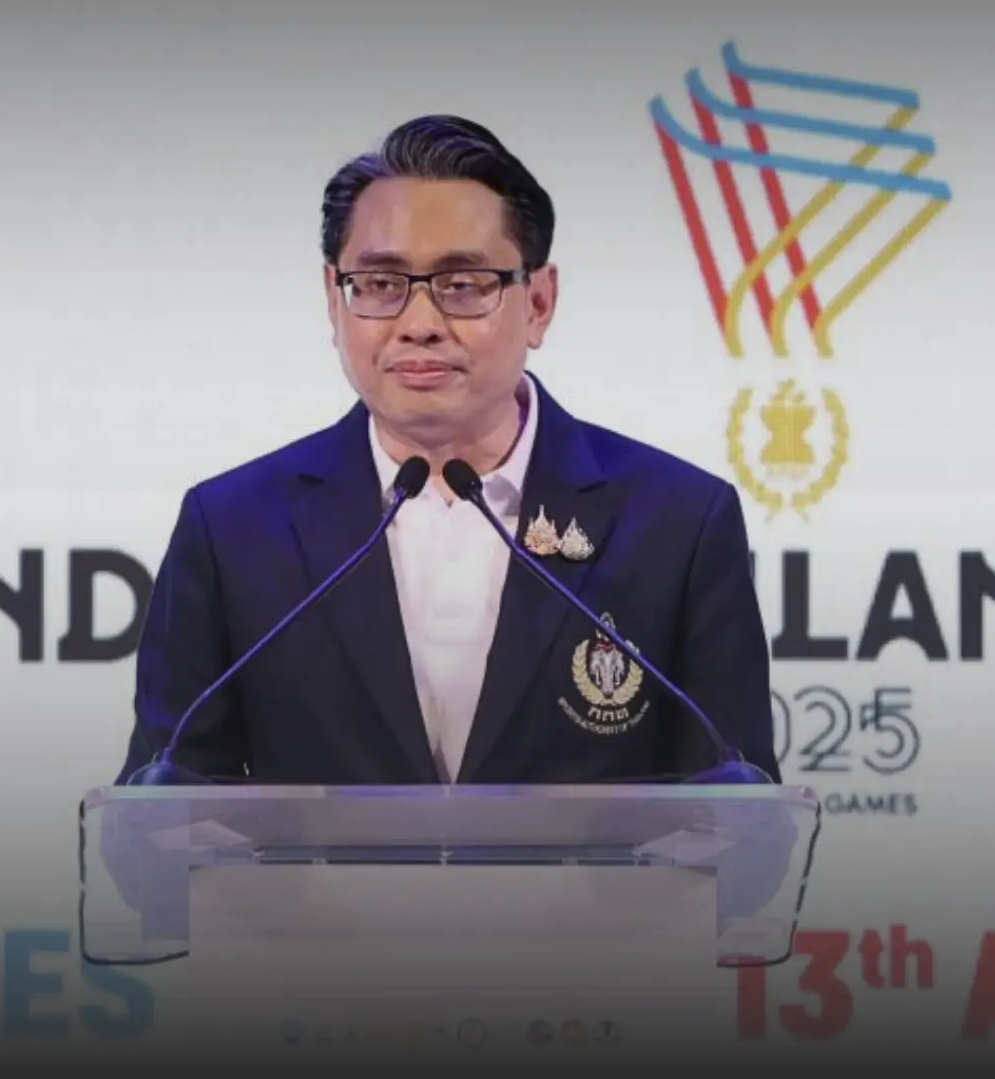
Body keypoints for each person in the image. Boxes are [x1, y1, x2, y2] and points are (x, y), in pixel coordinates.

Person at [114, 115, 780, 786]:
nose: (420, 324)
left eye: (463, 284)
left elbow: (736, 808)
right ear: (333, 301)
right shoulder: (232, 529)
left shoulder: (677, 523)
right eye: (380, 284)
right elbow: (165, 804)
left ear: (539, 303)